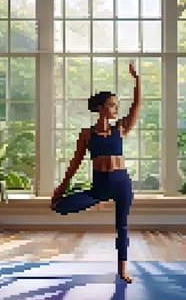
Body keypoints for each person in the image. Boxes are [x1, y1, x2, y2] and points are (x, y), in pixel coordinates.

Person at [50, 61, 140, 283]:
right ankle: (94, 201)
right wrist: (61, 187)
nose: (116, 109)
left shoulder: (121, 128)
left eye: (117, 105)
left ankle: (123, 269)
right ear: (101, 108)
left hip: (121, 183)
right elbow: (75, 163)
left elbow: (136, 105)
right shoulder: (87, 134)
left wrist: (137, 80)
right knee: (59, 206)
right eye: (112, 105)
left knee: (122, 226)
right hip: (100, 186)